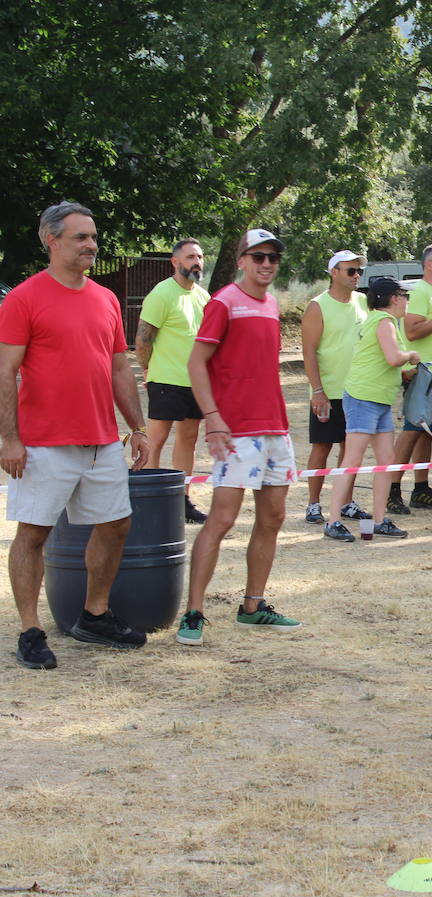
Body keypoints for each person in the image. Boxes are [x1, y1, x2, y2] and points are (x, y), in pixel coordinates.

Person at [1, 201, 150, 668]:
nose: (91, 244)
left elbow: (118, 368)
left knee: (116, 524)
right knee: (33, 535)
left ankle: (94, 616)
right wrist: (8, 439)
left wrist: (138, 427)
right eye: (81, 237)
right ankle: (30, 631)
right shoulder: (24, 298)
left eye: (93, 236)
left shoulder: (105, 299)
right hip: (42, 443)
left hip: (101, 439)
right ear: (52, 240)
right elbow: (5, 373)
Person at [175, 229, 303, 647]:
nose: (267, 264)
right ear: (242, 261)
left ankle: (253, 607)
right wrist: (213, 418)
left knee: (273, 518)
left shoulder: (271, 303)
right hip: (235, 431)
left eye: (273, 258)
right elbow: (196, 364)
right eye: (259, 257)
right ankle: (193, 612)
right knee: (223, 518)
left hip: (274, 428)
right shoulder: (223, 301)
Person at [322, 277, 420, 543]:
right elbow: (393, 357)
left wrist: (409, 370)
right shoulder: (383, 322)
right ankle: (333, 520)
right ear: (395, 298)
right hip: (364, 396)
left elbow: (388, 362)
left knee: (386, 460)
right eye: (404, 296)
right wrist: (410, 355)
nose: (406, 302)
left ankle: (379, 520)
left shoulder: (382, 321)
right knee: (352, 461)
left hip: (379, 399)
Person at [135, 238, 209, 523]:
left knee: (188, 440)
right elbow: (142, 339)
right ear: (175, 262)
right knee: (155, 440)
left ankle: (183, 501)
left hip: (195, 381)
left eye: (200, 257)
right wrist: (147, 371)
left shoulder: (204, 297)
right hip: (165, 380)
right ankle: (148, 499)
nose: (197, 262)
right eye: (190, 256)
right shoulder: (162, 294)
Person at [301, 250, 370, 526]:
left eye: (359, 271)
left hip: (358, 391)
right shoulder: (318, 306)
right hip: (328, 392)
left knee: (350, 450)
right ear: (334, 273)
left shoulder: (364, 302)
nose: (356, 276)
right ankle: (313, 504)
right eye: (350, 271)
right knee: (322, 447)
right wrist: (317, 390)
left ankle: (345, 502)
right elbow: (309, 351)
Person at [390, 243, 432, 515]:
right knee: (412, 430)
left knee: (426, 432)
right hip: (420, 372)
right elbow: (412, 331)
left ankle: (421, 488)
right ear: (428, 265)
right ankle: (391, 489)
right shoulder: (419, 293)